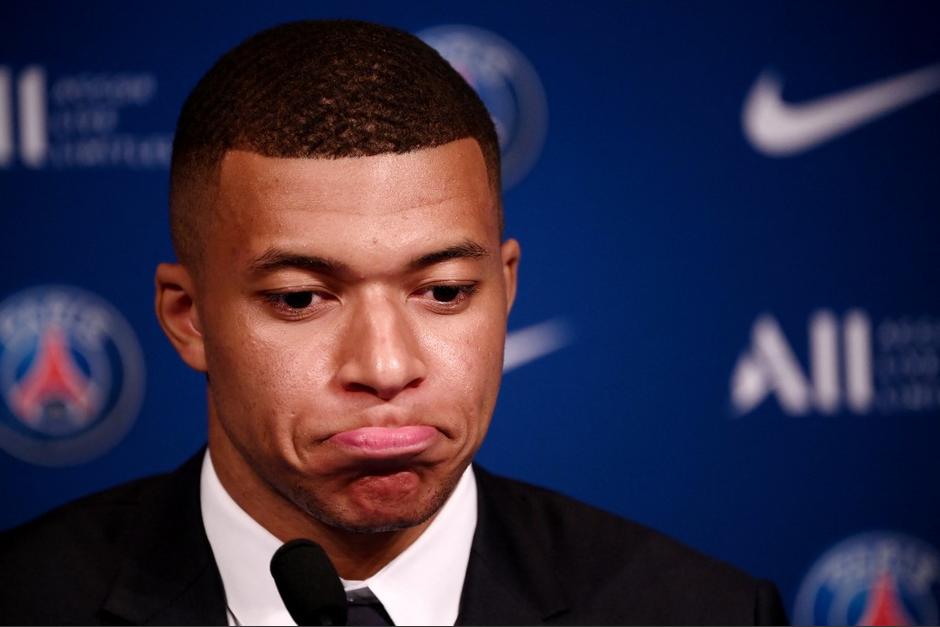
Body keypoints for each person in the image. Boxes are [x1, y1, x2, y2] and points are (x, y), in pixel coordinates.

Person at [0, 20, 787, 626]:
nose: (385, 367)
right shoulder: (25, 599)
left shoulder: (706, 612)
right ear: (188, 316)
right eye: (301, 299)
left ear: (506, 287)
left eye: (444, 291)